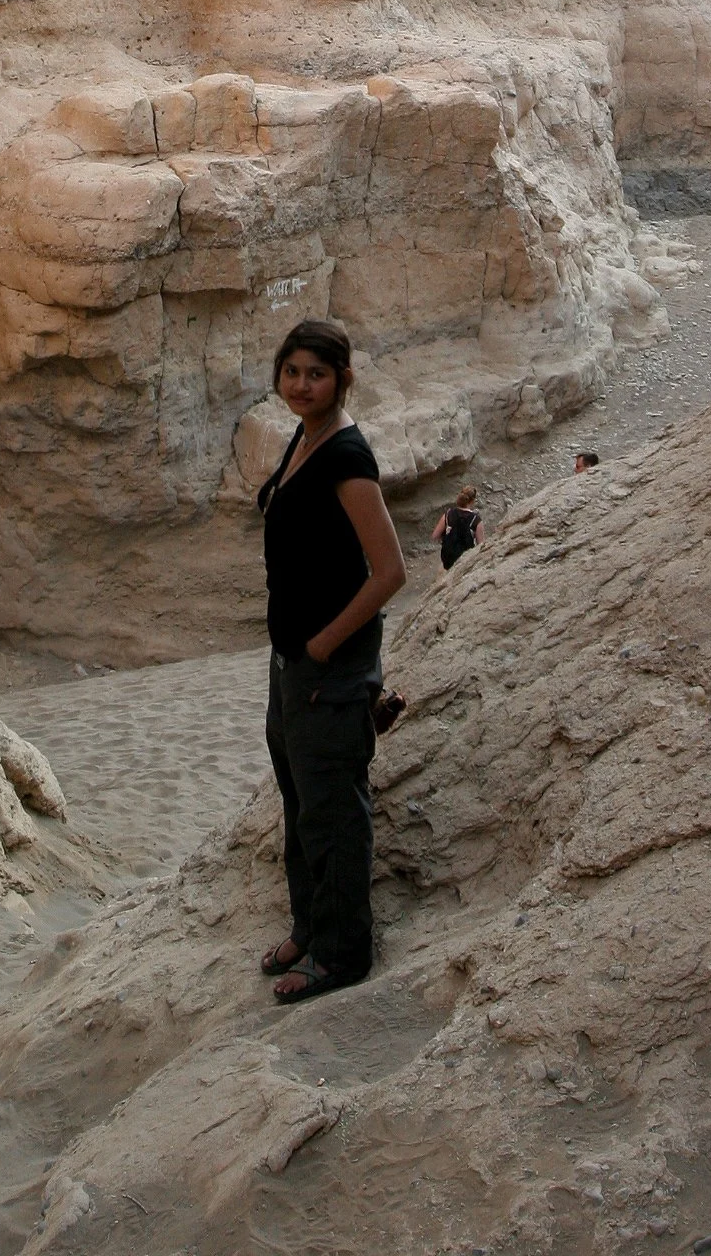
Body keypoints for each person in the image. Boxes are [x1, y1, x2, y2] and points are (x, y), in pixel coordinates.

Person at [257, 317, 406, 1005]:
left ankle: (342, 952)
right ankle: (310, 925)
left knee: (334, 814)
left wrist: (323, 644)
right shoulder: (306, 436)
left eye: (316, 374)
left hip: (329, 671)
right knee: (300, 803)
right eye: (292, 372)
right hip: (292, 666)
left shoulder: (347, 458)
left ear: (342, 378)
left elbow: (389, 571)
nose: (301, 384)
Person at [432, 481, 484, 569]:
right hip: (465, 560)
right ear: (472, 501)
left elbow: (435, 536)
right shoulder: (476, 520)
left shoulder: (448, 514)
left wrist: (446, 537)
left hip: (448, 559)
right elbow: (481, 546)